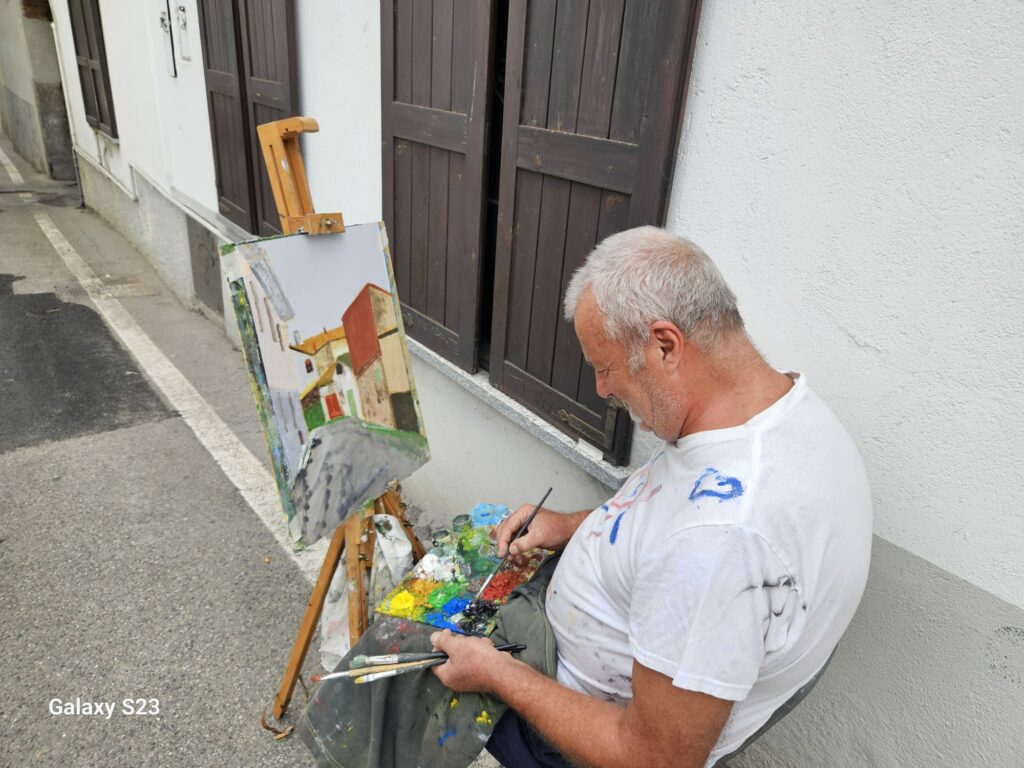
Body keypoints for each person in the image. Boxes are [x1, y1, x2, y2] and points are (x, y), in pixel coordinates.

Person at [431, 226, 873, 768]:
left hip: (575, 731)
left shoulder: (720, 541)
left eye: (605, 368)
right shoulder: (776, 409)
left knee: (418, 672)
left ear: (666, 345)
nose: (602, 390)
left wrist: (498, 674)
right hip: (583, 646)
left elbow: (653, 759)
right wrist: (570, 526)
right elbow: (664, 518)